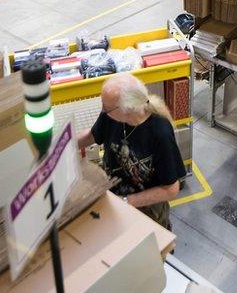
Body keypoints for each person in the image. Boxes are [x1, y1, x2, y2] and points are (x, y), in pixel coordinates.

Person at [77, 73, 186, 230]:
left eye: (106, 108)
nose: (103, 110)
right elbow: (92, 135)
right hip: (113, 196)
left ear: (127, 109)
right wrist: (62, 145)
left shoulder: (159, 133)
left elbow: (171, 189)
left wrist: (126, 201)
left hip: (146, 208)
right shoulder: (112, 116)